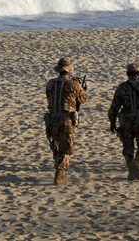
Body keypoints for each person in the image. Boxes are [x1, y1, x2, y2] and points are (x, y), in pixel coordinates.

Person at [44, 57, 87, 186]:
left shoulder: (50, 83)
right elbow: (82, 99)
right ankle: (61, 170)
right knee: (68, 146)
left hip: (52, 118)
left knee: (55, 143)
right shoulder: (74, 84)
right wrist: (83, 88)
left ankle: (58, 165)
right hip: (67, 119)